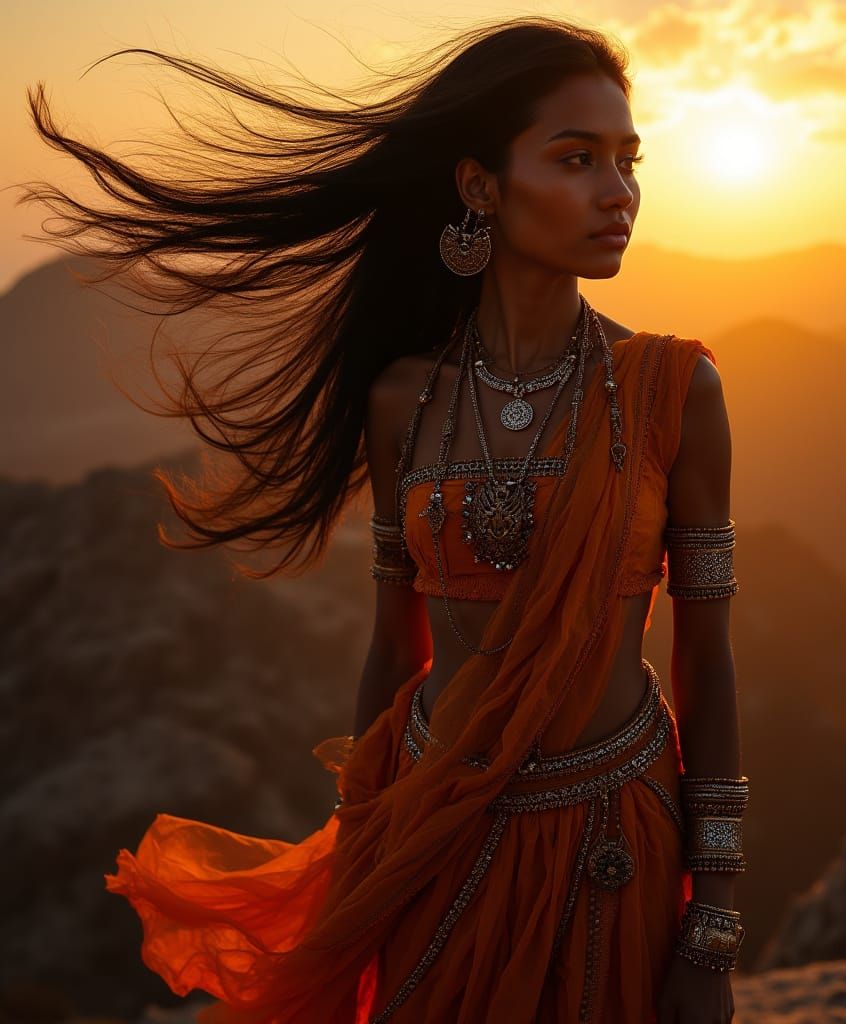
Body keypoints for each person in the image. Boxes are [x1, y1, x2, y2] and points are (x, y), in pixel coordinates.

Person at [21, 15, 746, 1023]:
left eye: (628, 161)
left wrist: (711, 927)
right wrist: (364, 845)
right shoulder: (406, 400)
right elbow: (390, 644)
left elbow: (708, 663)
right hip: (429, 836)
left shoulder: (673, 389)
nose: (617, 191)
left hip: (609, 843)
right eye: (577, 159)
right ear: (479, 186)